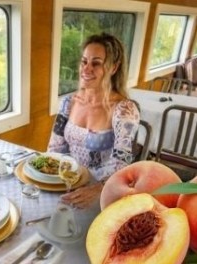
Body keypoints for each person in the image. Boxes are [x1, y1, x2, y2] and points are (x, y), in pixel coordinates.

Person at [47, 32, 140, 209]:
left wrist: (97, 190)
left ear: (113, 67)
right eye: (84, 61)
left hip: (102, 193)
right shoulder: (68, 103)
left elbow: (122, 164)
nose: (86, 69)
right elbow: (55, 150)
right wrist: (49, 178)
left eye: (96, 63)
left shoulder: (124, 110)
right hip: (67, 184)